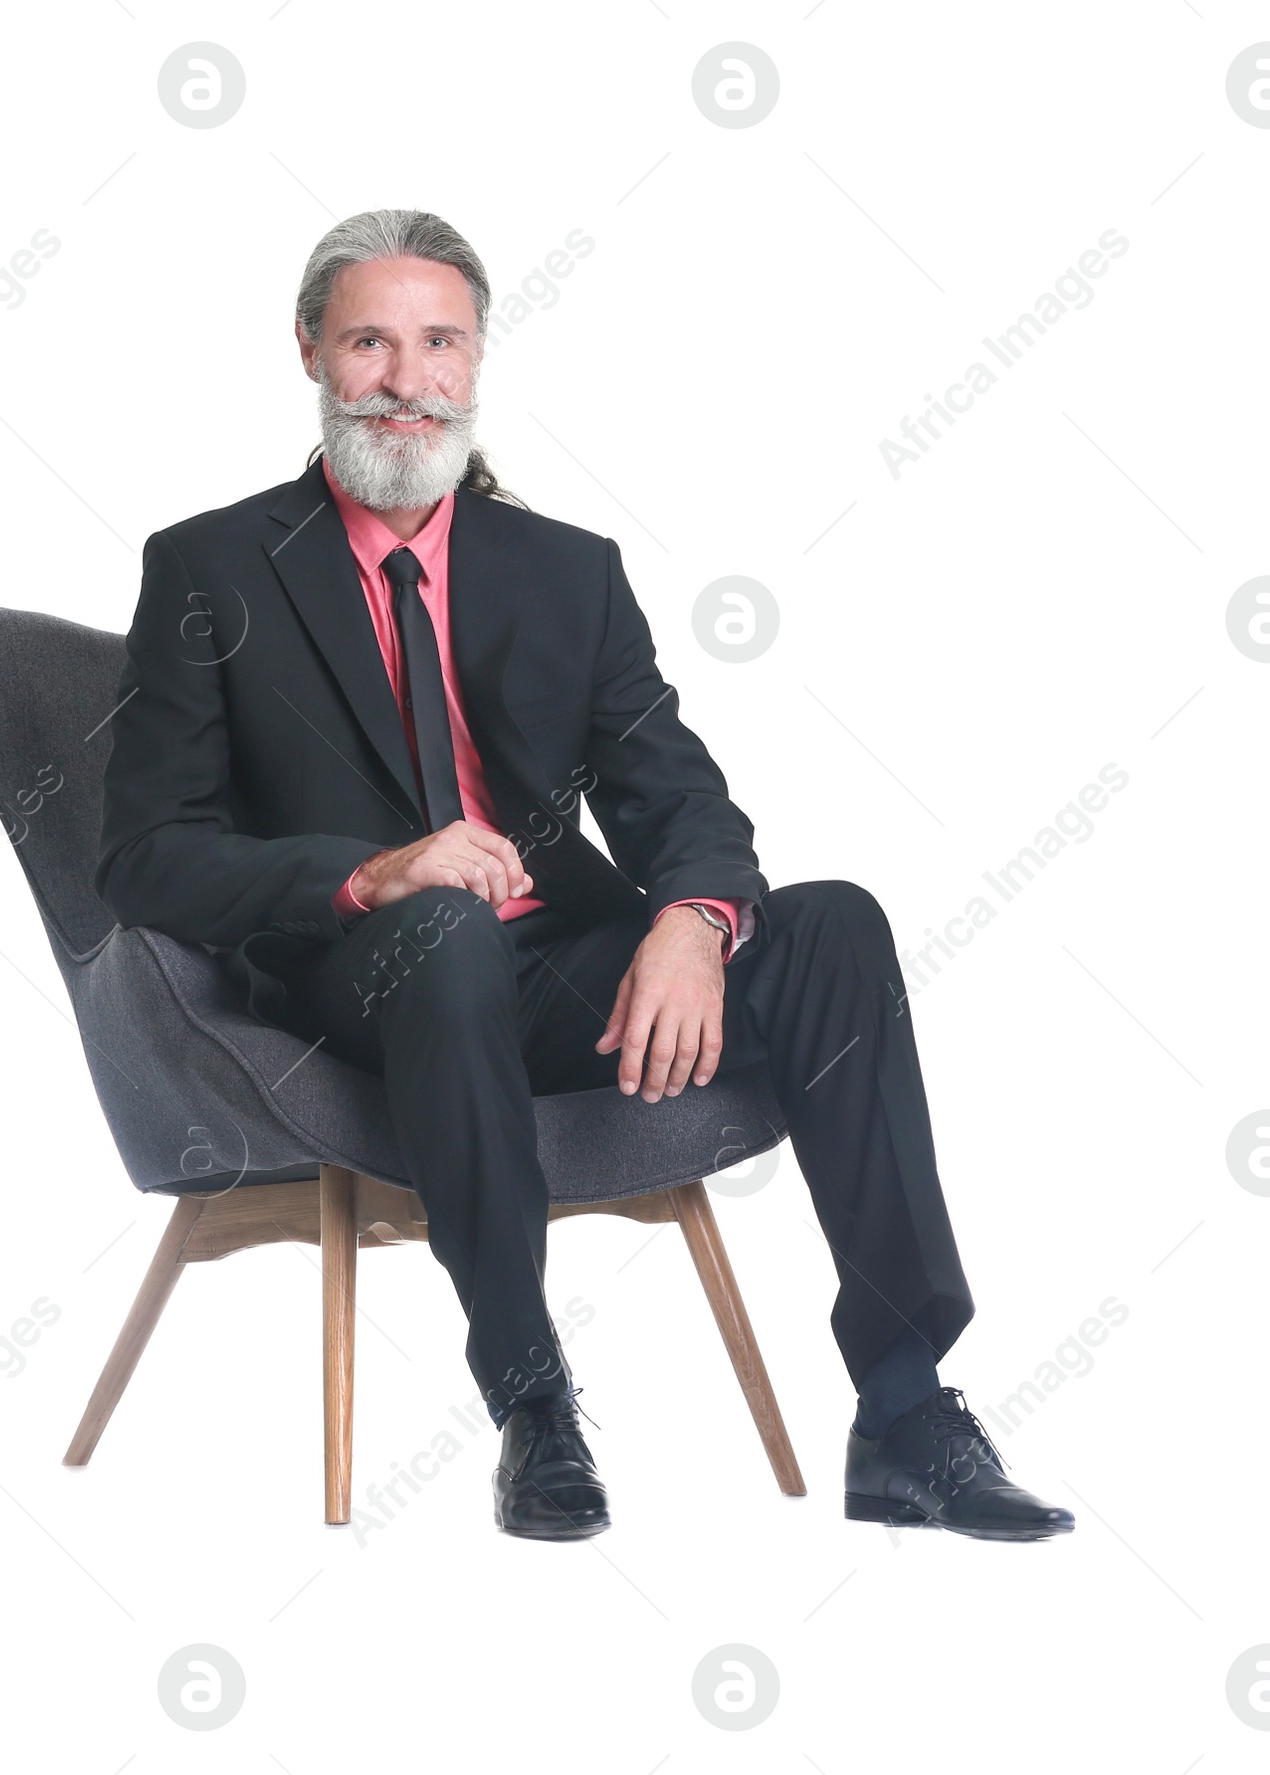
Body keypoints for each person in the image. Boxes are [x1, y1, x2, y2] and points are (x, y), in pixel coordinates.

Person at [96, 208, 1073, 1545]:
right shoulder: (209, 568)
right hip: (367, 979)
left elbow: (678, 796)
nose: (406, 376)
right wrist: (374, 872)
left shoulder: (565, 571)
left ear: (478, 357)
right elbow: (147, 855)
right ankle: (531, 1406)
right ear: (312, 353)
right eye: (371, 340)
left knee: (835, 925)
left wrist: (691, 921)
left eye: (439, 341)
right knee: (443, 930)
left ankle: (905, 1411)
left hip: (566, 974)